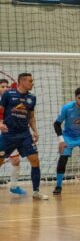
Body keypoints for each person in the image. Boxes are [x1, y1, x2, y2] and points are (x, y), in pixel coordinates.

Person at [0, 72, 47, 200]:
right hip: (9, 134)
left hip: (24, 134)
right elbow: (0, 110)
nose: (32, 83)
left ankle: (36, 192)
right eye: (30, 81)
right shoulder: (8, 94)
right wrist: (0, 123)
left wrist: (35, 131)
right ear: (22, 81)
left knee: (35, 160)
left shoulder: (32, 98)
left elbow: (31, 117)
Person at [0, 77, 24, 195]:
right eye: (2, 87)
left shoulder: (12, 100)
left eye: (7, 86)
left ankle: (14, 187)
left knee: (16, 160)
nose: (5, 88)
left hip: (10, 135)